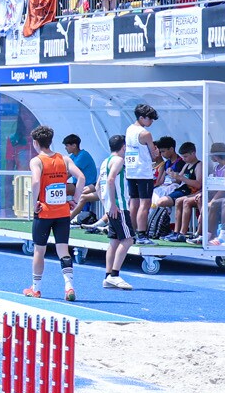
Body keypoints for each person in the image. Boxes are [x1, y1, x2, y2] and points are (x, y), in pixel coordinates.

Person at [22, 125, 81, 302]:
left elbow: (35, 182)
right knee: (63, 250)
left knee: (39, 250)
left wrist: (34, 205)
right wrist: (75, 200)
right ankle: (69, 286)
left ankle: (36, 288)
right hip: (62, 212)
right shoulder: (64, 159)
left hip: (44, 212)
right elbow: (82, 177)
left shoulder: (37, 161)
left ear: (35, 143)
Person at [93, 134, 134, 290]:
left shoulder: (105, 162)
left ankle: (107, 276)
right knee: (128, 240)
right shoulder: (118, 160)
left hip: (111, 206)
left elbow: (97, 186)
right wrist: (113, 204)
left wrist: (106, 204)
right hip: (119, 206)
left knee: (114, 241)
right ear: (123, 147)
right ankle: (114, 275)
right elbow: (110, 180)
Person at [122, 103, 159, 249]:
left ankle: (131, 233)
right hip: (143, 172)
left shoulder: (129, 129)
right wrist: (155, 153)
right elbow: (154, 154)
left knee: (134, 203)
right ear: (142, 118)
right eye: (150, 119)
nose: (151, 122)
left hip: (131, 171)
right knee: (145, 204)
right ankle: (142, 235)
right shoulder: (145, 134)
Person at [61, 133, 95, 225]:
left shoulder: (83, 155)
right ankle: (65, 211)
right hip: (78, 184)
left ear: (74, 145)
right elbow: (64, 172)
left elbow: (70, 173)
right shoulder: (72, 157)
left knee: (62, 188)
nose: (65, 148)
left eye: (67, 145)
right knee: (59, 189)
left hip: (90, 185)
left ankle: (73, 215)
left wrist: (59, 182)